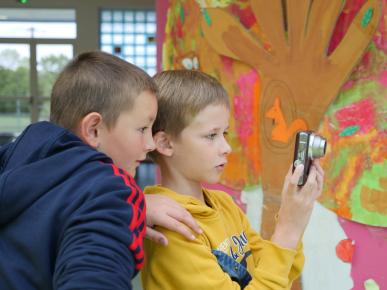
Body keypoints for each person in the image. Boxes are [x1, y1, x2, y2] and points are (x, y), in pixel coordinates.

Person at [0, 52, 201, 290]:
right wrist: (126, 203)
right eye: (142, 128)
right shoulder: (112, 190)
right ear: (94, 129)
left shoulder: (15, 157)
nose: (150, 144)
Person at [141, 70, 324, 289]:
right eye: (211, 135)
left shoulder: (224, 205)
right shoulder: (173, 228)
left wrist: (294, 218)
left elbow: (276, 273)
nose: (226, 148)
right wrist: (288, 227)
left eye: (225, 134)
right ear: (166, 144)